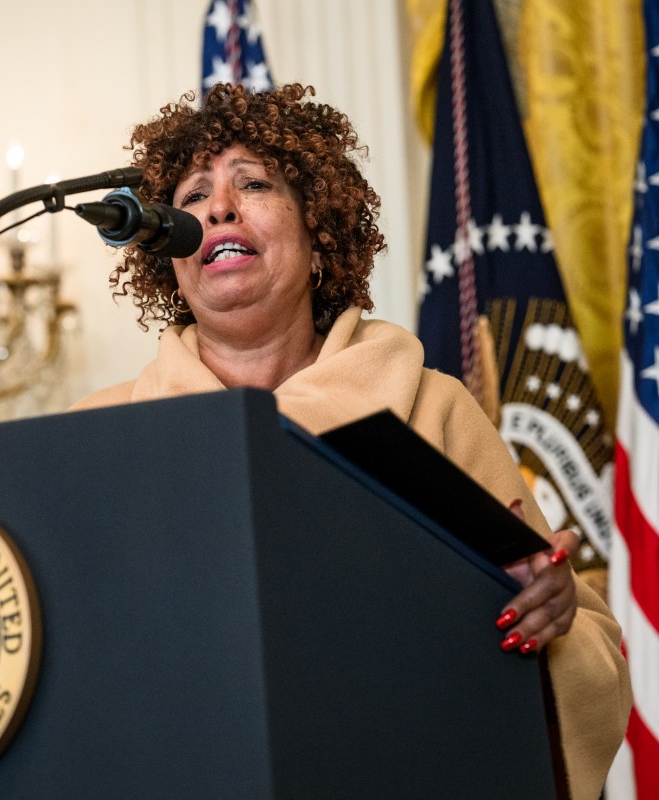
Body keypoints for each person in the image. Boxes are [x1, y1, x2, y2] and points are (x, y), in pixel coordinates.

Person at [73, 83, 631, 799]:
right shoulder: (104, 433)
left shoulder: (431, 409)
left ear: (318, 242)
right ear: (170, 261)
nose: (217, 208)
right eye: (194, 193)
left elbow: (589, 651)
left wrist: (549, 615)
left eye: (253, 183)